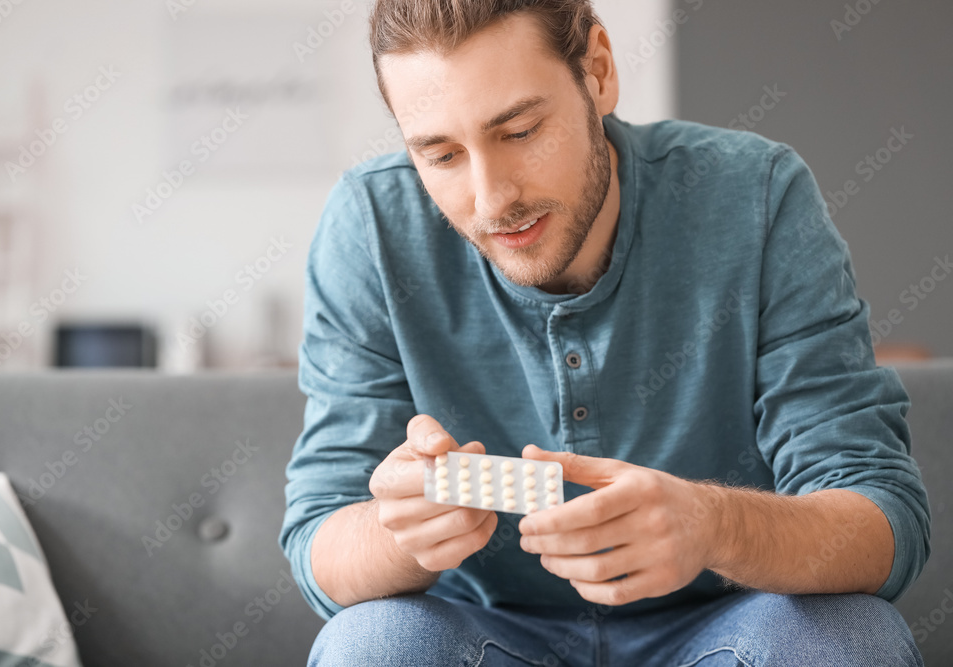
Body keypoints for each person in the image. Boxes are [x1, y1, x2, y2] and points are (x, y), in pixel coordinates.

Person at [279, 1, 931, 664]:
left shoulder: (757, 196)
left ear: (598, 70)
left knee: (851, 639)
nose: (492, 198)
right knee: (370, 645)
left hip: (725, 623)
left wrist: (714, 526)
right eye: (442, 155)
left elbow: (885, 519)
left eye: (521, 131)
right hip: (485, 631)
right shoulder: (370, 225)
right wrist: (401, 532)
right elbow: (317, 539)